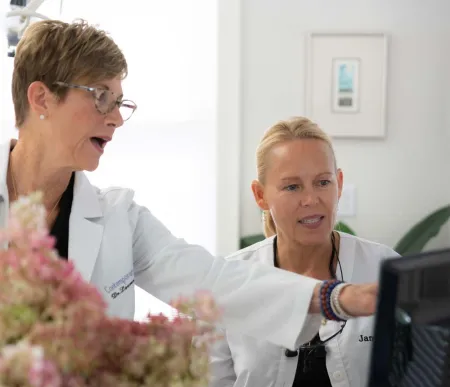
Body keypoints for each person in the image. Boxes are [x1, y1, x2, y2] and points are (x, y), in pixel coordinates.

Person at [2, 19, 378, 353]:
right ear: (42, 98)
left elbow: (213, 281)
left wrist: (335, 297)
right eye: (101, 97)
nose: (116, 118)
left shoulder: (118, 220)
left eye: (120, 103)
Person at [187, 117, 400, 387]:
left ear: (339, 184)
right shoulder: (226, 283)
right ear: (260, 195)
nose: (311, 199)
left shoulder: (383, 268)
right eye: (292, 186)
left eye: (322, 182)